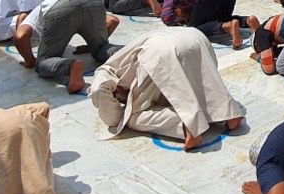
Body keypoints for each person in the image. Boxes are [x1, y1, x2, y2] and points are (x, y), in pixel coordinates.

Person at [90, 26, 245, 147]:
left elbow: (110, 112)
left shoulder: (107, 74)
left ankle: (187, 126)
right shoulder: (122, 62)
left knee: (131, 118)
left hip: (162, 52)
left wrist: (118, 115)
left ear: (115, 90)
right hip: (195, 37)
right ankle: (229, 113)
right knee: (197, 79)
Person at [13, 0, 119, 93]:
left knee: (43, 62)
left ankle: (70, 66)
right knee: (100, 48)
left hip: (62, 7)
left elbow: (20, 36)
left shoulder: (31, 17)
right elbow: (113, 20)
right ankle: (121, 55)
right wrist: (93, 44)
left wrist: (30, 61)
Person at [160, 0, 246, 48]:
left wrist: (177, 25)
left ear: (177, 10)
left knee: (194, 28)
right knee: (223, 18)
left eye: (179, 18)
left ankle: (227, 26)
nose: (182, 19)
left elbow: (166, 17)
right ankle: (247, 20)